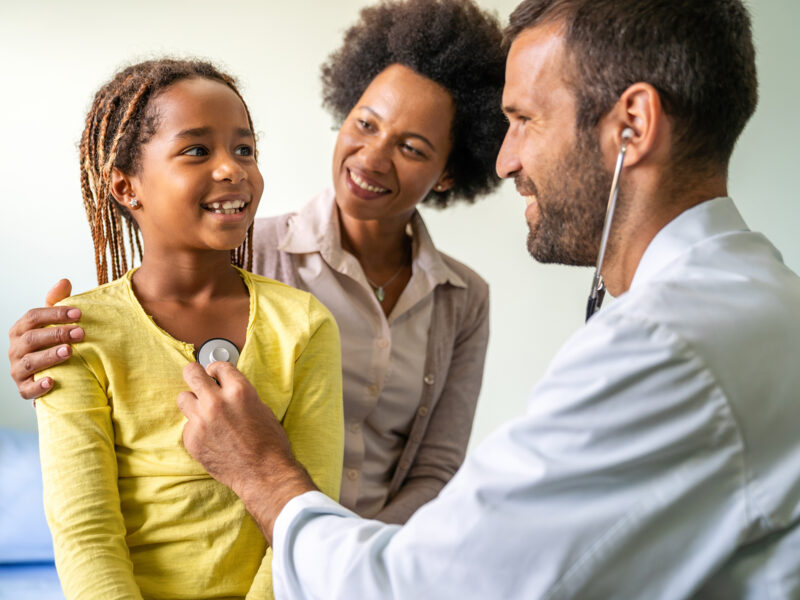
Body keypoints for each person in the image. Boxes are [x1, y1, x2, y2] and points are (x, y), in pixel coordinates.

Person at [173, 0, 800, 598]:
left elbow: (422, 587)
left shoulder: (663, 347)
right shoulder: (764, 301)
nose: (505, 160)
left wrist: (263, 474)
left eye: (524, 119)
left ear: (632, 124)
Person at [8, 0, 507, 524]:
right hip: (267, 545)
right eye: (365, 124)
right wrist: (43, 354)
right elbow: (145, 378)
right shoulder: (241, 252)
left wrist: (356, 556)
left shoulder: (463, 297)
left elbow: (437, 467)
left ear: (448, 173)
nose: (373, 157)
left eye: (411, 147)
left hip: (379, 555)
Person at [33, 59, 343, 600]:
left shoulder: (304, 325)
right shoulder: (78, 336)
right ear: (127, 187)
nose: (232, 168)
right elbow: (86, 534)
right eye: (197, 150)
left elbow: (308, 513)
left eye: (244, 149)